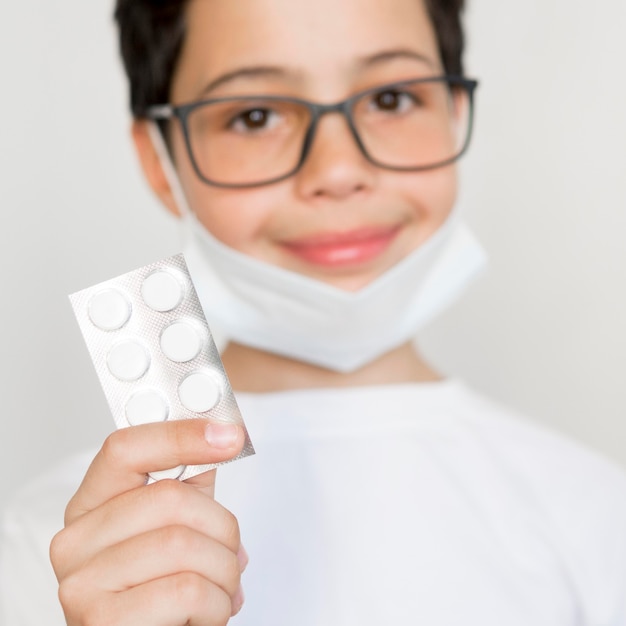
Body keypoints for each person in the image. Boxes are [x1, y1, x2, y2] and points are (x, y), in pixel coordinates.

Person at [2, 0, 626, 624]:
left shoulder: (598, 516)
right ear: (160, 162)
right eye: (255, 115)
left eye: (391, 99)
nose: (338, 170)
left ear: (454, 111)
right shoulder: (55, 553)